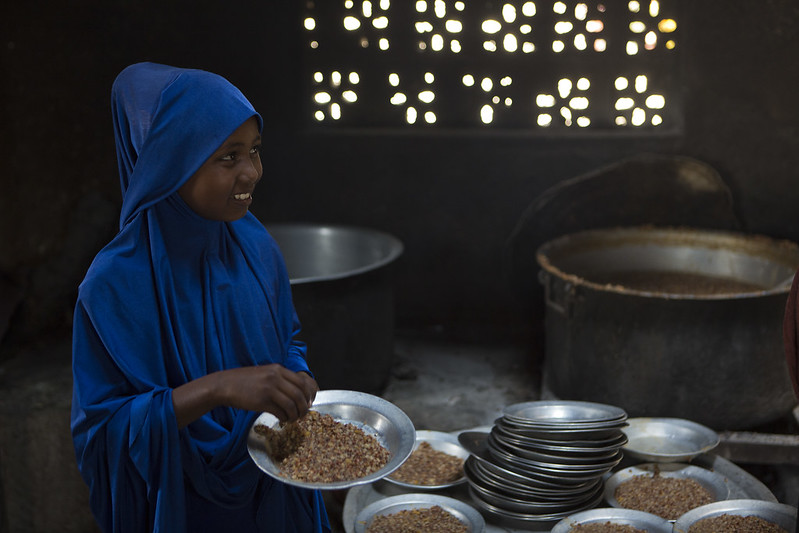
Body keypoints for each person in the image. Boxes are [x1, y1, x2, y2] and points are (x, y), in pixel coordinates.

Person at [70, 62, 331, 532]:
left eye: (254, 151)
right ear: (169, 163)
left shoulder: (254, 247)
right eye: (228, 157)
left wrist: (296, 375)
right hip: (187, 507)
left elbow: (288, 338)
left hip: (274, 492)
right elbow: (104, 433)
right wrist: (217, 390)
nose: (252, 172)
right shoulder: (114, 285)